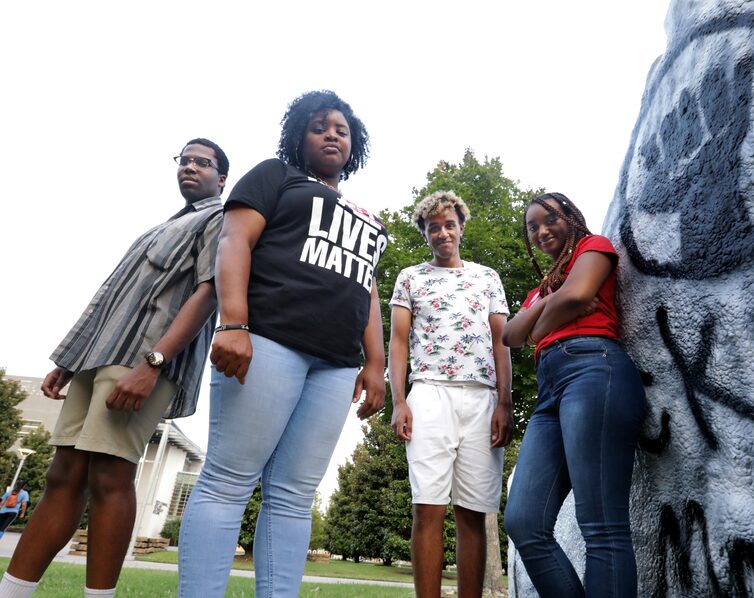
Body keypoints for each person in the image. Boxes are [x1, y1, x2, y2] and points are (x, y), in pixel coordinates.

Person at [177, 90, 387, 598]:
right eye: (319, 125)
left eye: (342, 128)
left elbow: (368, 287)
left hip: (336, 364)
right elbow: (234, 242)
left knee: (295, 496)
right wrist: (233, 323)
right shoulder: (276, 175)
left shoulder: (366, 214)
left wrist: (376, 364)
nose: (332, 132)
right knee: (229, 480)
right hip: (269, 338)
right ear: (299, 136)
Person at [0, 138, 229, 598]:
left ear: (221, 178)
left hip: (143, 358)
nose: (190, 167)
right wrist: (70, 359)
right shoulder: (158, 228)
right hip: (99, 355)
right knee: (62, 474)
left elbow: (211, 292)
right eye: (183, 160)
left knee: (110, 473)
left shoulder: (220, 219)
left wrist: (153, 364)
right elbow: (109, 298)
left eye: (202, 163)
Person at [502, 192, 647, 597]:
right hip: (550, 393)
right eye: (532, 227)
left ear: (571, 217)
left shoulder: (593, 247)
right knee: (524, 522)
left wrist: (541, 320)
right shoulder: (540, 288)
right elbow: (511, 335)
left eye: (550, 219)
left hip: (593, 370)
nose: (542, 231)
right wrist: (551, 305)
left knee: (601, 523)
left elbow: (580, 295)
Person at [389, 190, 513, 598]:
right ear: (425, 234)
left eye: (449, 225)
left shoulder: (487, 277)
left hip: (481, 399)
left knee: (473, 512)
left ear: (461, 227)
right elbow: (399, 342)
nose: (442, 233)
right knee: (428, 507)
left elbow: (502, 342)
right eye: (433, 227)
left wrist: (505, 403)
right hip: (429, 395)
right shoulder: (411, 277)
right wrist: (400, 400)